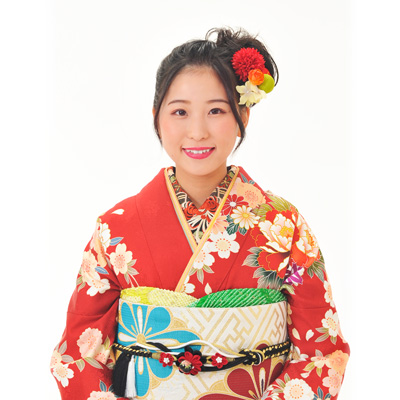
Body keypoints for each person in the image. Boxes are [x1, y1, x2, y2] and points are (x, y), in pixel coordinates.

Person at [51, 27, 350, 400]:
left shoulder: (282, 226)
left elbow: (320, 351)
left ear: (243, 115)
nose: (197, 131)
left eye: (216, 111)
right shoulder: (115, 229)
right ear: (157, 118)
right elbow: (79, 353)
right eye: (180, 111)